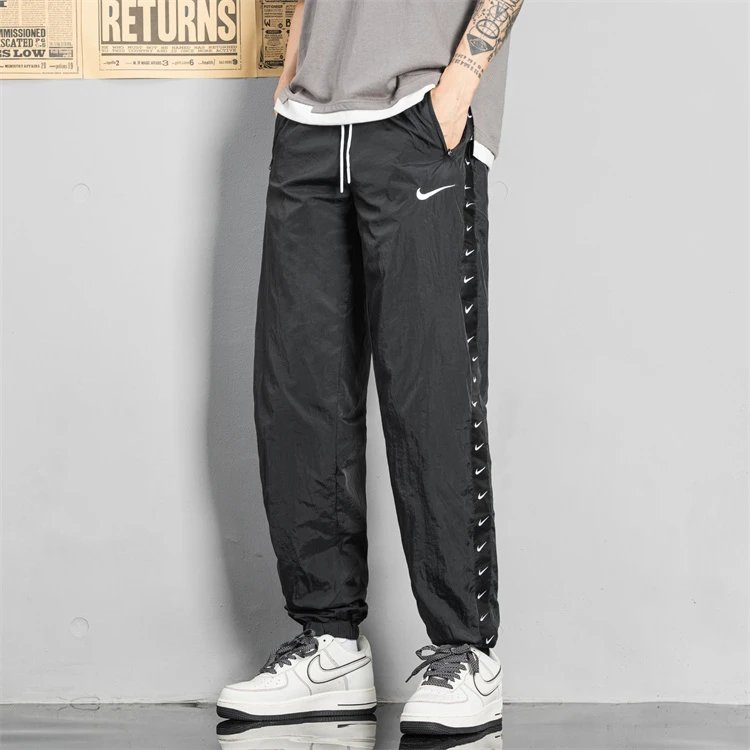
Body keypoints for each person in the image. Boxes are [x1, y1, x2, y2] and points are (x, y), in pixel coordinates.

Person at [217, 0, 524, 736]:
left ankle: (466, 652)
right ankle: (330, 645)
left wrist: (460, 86)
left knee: (429, 392)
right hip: (311, 120)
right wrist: (294, 74)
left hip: (420, 112)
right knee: (299, 392)